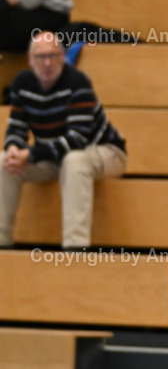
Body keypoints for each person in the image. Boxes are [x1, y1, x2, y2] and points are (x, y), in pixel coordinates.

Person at [1, 31, 127, 248]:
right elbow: (17, 127)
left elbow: (77, 139)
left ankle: (75, 248)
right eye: (41, 57)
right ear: (30, 60)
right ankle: (2, 242)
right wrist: (13, 147)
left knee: (75, 161)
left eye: (54, 55)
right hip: (55, 155)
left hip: (105, 151)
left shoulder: (77, 82)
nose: (47, 63)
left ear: (63, 56)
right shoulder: (22, 83)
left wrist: (30, 154)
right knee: (4, 162)